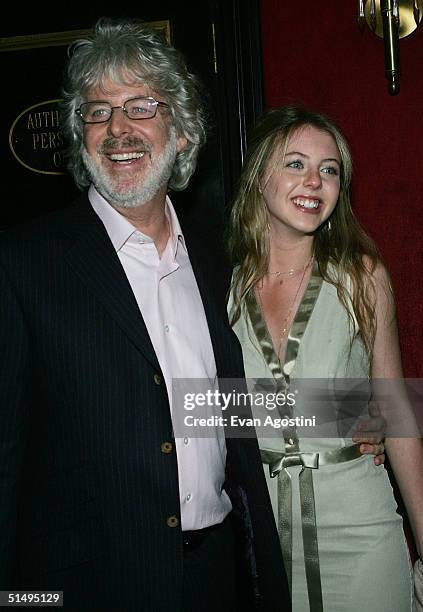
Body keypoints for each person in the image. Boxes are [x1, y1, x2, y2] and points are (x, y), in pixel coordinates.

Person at [0, 17, 291, 611]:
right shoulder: (22, 264)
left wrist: (366, 416)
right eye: (98, 111)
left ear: (181, 132)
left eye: (140, 105)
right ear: (80, 135)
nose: (117, 129)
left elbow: (224, 409)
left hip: (218, 580)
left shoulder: (216, 265)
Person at [227, 105, 423, 611]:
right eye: (295, 163)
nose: (314, 181)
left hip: (361, 526)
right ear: (259, 175)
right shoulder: (221, 288)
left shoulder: (362, 277)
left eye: (329, 169)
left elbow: (397, 412)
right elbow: (205, 411)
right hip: (261, 538)